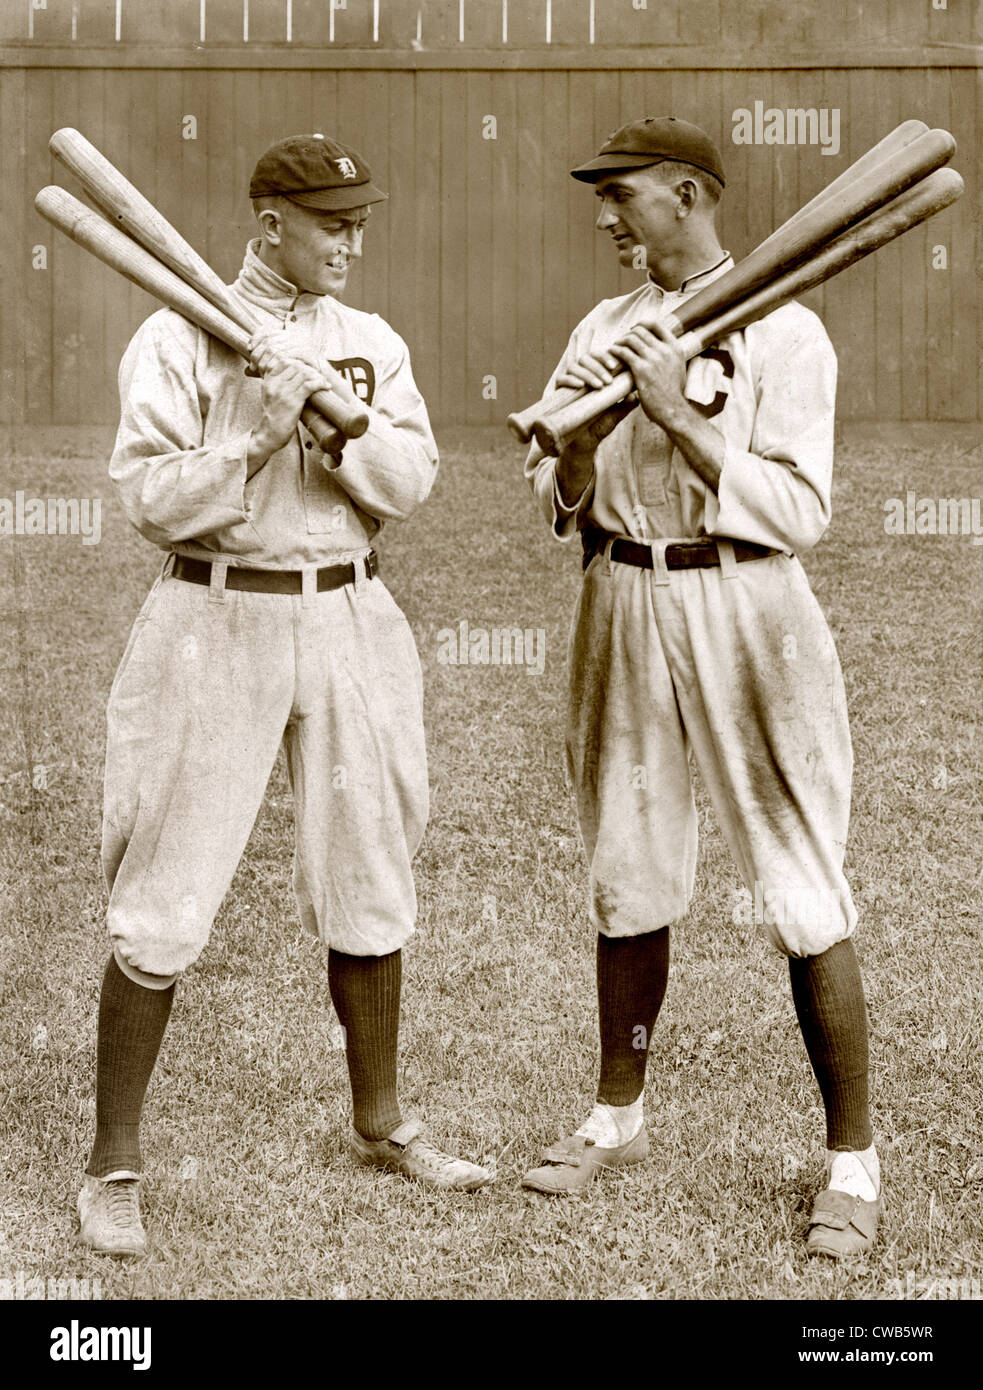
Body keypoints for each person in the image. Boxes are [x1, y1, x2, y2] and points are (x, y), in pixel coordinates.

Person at [80, 133, 491, 1257]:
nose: (349, 238)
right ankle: (113, 1162)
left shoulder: (370, 344)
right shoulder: (175, 332)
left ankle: (383, 1119)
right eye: (326, 221)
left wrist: (340, 422)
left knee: (370, 864)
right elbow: (149, 499)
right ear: (269, 221)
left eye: (358, 218)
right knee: (166, 884)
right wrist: (255, 439)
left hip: (351, 609)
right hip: (214, 614)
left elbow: (409, 482)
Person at [522, 117, 880, 1257]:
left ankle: (851, 1163)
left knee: (797, 880)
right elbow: (555, 489)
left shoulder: (786, 327)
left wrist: (673, 412)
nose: (603, 216)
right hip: (621, 594)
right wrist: (579, 446)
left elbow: (799, 510)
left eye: (620, 194)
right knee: (625, 864)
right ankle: (614, 1116)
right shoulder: (604, 324)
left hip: (747, 606)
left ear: (685, 194)